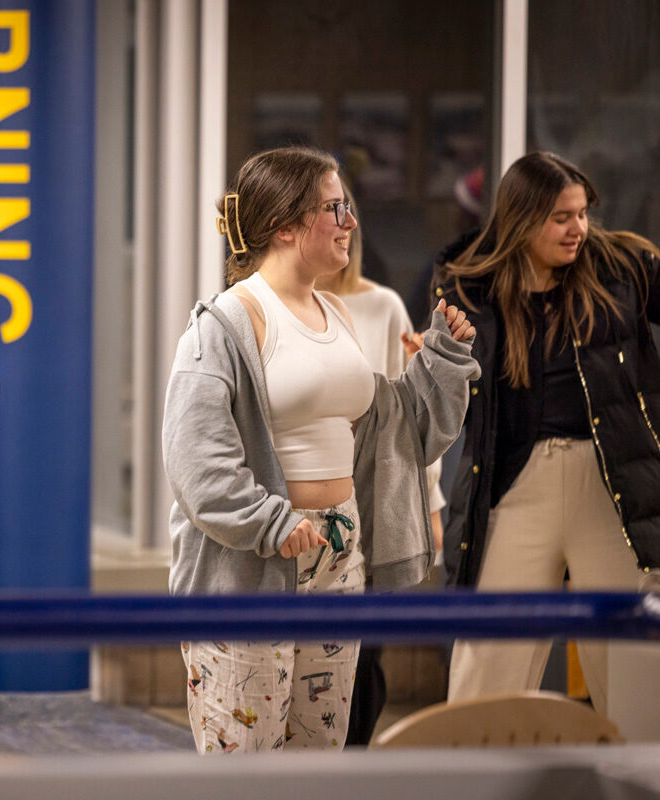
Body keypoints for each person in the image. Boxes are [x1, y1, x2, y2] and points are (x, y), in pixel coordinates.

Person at [163, 145, 478, 753]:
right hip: (254, 564)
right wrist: (271, 524)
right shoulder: (225, 323)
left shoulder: (335, 310)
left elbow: (394, 430)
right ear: (286, 225)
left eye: (347, 206)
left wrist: (441, 360)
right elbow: (195, 457)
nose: (350, 223)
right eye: (335, 208)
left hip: (340, 553)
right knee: (246, 766)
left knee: (319, 761)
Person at [439, 151, 660, 712]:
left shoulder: (622, 267)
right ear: (524, 218)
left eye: (583, 213)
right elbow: (449, 389)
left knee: (633, 664)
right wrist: (437, 360)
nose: (578, 229)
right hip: (515, 485)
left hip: (610, 482)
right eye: (562, 217)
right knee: (488, 662)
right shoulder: (472, 287)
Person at [313, 200, 448, 747]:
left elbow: (406, 421)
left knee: (365, 652)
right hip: (308, 506)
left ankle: (357, 761)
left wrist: (430, 505)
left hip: (375, 496)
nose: (342, 231)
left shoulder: (383, 305)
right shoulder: (271, 308)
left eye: (347, 221)